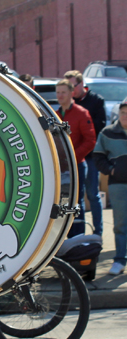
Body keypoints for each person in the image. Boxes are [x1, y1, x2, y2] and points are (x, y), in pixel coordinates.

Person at [65, 70, 106, 236]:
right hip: (71, 157)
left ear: (82, 84)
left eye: (73, 86)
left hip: (89, 155)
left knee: (92, 194)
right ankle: (74, 234)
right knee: (74, 197)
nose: (71, 90)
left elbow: (98, 127)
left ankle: (98, 231)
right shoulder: (67, 105)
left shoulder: (95, 101)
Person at [55, 79, 96, 237]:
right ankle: (64, 236)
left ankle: (78, 237)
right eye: (58, 92)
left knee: (76, 202)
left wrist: (72, 158)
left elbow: (90, 140)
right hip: (61, 168)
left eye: (63, 92)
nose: (60, 95)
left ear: (71, 93)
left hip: (77, 165)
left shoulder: (81, 113)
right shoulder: (56, 115)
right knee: (63, 202)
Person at [93, 102, 127, 275]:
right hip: (118, 184)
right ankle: (120, 260)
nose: (124, 116)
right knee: (121, 224)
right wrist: (111, 170)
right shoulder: (107, 133)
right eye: (122, 112)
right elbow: (98, 156)